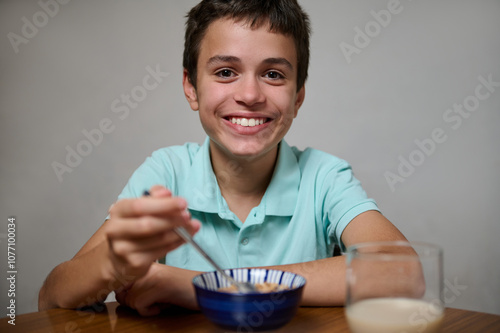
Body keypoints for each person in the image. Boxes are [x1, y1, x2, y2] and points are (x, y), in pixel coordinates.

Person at [38, 0, 407, 316]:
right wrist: (114, 262)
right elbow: (51, 300)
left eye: (273, 74)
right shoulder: (166, 173)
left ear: (297, 97)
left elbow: (402, 271)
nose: (250, 94)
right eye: (226, 72)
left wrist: (199, 287)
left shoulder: (324, 176)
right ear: (191, 87)